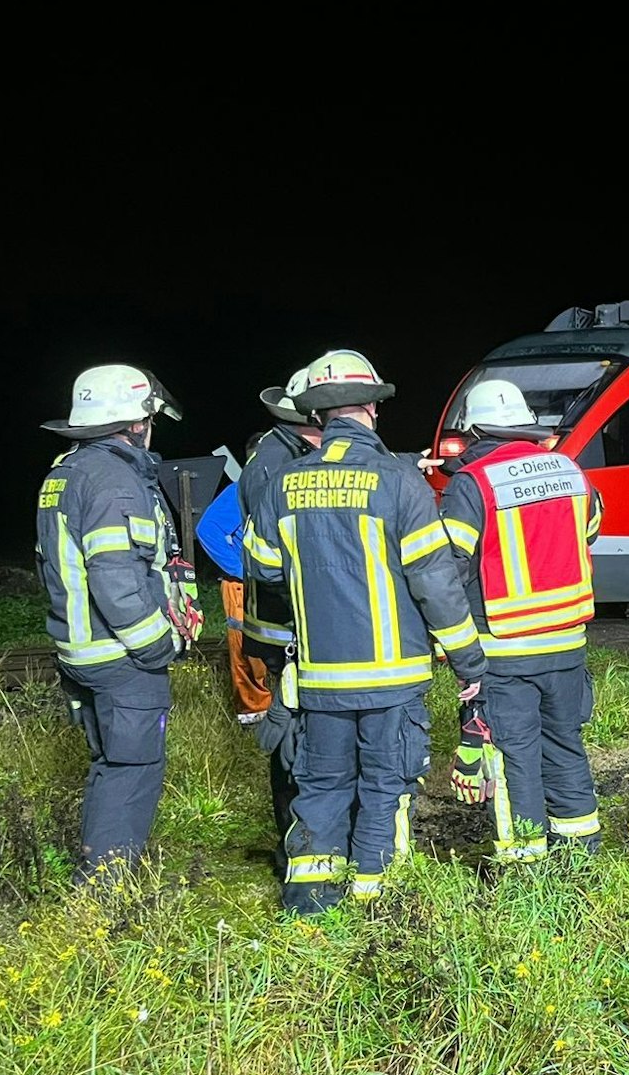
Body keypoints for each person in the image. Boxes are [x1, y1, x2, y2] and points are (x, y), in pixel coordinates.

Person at [243, 349, 488, 914]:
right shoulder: (398, 483)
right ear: (373, 409)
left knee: (321, 789)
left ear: (318, 415)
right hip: (392, 681)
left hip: (319, 678)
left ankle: (309, 908)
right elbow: (435, 584)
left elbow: (262, 567)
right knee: (384, 787)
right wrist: (469, 661)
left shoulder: (283, 483)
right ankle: (375, 908)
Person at [35, 365, 203, 885]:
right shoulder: (114, 480)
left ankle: (99, 877)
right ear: (135, 421)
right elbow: (115, 580)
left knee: (109, 765)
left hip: (80, 651)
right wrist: (158, 647)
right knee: (133, 771)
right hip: (120, 656)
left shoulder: (67, 470)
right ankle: (106, 891)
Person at [436, 379, 606, 861]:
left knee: (515, 760)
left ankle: (524, 864)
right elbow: (590, 530)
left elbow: (450, 566)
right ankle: (581, 850)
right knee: (565, 744)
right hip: (568, 643)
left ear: (473, 432)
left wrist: (449, 642)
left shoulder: (473, 483)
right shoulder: (572, 471)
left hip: (505, 649)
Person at [240, 367, 322, 843]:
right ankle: (298, 838)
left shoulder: (277, 455)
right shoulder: (277, 466)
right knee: (295, 739)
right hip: (285, 626)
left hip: (285, 624)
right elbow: (278, 559)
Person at [193, 432, 273, 723]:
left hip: (273, 583)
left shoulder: (277, 488)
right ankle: (253, 712)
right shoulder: (240, 490)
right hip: (242, 586)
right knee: (247, 650)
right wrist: (242, 569)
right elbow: (208, 530)